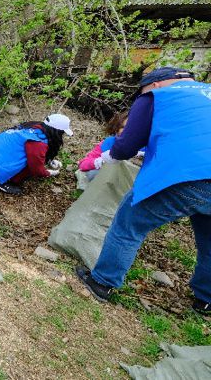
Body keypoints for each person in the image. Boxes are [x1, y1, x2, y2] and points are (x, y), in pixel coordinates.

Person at [75, 67, 211, 315]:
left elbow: (126, 145)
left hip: (186, 174)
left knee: (129, 224)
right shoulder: (206, 94)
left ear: (155, 84)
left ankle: (102, 282)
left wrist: (111, 157)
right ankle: (206, 300)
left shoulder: (157, 96)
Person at [0, 114, 73, 194]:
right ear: (56, 131)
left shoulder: (34, 126)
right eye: (62, 132)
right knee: (29, 164)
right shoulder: (38, 143)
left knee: (23, 154)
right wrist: (49, 173)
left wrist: (50, 161)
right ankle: (3, 182)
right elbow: (36, 168)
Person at [78, 112, 131, 181]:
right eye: (123, 127)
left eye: (131, 128)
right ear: (117, 128)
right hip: (107, 181)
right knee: (92, 174)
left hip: (130, 182)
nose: (127, 131)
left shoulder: (145, 149)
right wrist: (101, 161)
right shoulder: (109, 143)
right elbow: (83, 164)